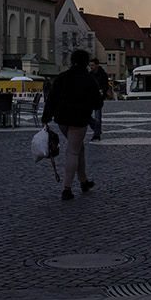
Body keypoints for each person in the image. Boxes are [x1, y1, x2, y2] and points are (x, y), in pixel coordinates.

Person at [41, 49, 104, 200]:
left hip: (62, 119)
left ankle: (83, 182)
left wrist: (46, 117)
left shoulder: (62, 77)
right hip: (79, 120)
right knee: (73, 151)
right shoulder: (88, 79)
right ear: (85, 63)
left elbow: (52, 99)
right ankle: (67, 188)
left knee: (78, 148)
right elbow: (98, 103)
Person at [87, 62, 108, 141]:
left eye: (92, 65)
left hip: (98, 98)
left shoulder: (103, 74)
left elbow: (105, 85)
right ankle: (97, 131)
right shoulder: (89, 75)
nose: (91, 67)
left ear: (97, 65)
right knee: (87, 116)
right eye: (90, 65)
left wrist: (103, 93)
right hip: (89, 98)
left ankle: (96, 135)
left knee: (97, 117)